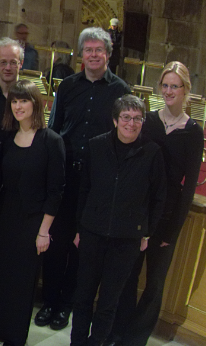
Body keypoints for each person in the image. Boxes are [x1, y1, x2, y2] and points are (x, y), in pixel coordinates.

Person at [41, 27, 131, 331]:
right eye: (88, 50)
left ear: (108, 54)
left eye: (99, 50)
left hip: (97, 183)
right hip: (66, 175)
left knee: (82, 248)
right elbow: (53, 130)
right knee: (56, 242)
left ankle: (67, 304)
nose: (93, 55)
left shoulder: (121, 90)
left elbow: (124, 139)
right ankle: (50, 301)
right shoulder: (67, 86)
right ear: (82, 55)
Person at [111, 62, 204, 346]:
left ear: (186, 90)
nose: (168, 91)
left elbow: (188, 187)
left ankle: (135, 339)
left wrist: (171, 232)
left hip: (167, 217)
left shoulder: (193, 131)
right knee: (128, 275)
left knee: (154, 284)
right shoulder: (148, 120)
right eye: (164, 85)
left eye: (174, 86)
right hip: (140, 211)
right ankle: (118, 330)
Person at [71, 95, 166, 346]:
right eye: (126, 117)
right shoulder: (97, 146)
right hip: (92, 232)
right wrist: (80, 227)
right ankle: (77, 342)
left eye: (137, 119)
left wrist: (147, 233)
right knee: (83, 297)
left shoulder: (152, 153)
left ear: (143, 122)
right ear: (115, 120)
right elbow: (84, 190)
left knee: (108, 302)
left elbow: (159, 198)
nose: (131, 123)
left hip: (126, 240)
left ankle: (96, 343)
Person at [0, 80, 65, 346]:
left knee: (21, 281)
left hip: (33, 219)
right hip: (7, 213)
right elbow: (0, 183)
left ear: (35, 104)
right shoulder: (8, 137)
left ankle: (14, 336)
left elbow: (56, 191)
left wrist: (43, 231)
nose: (18, 106)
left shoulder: (51, 140)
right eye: (14, 101)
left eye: (24, 101)